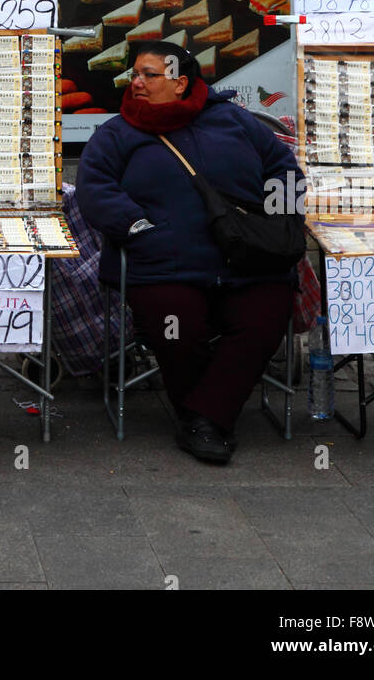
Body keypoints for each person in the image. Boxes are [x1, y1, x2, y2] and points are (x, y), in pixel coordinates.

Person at [75, 42, 303, 465]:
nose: (135, 83)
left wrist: (278, 217)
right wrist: (138, 227)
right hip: (165, 265)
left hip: (247, 257)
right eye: (134, 74)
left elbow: (284, 169)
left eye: (148, 75)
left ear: (180, 82)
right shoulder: (118, 132)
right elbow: (95, 189)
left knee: (266, 317)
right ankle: (209, 419)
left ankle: (202, 417)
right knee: (177, 328)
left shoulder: (233, 120)